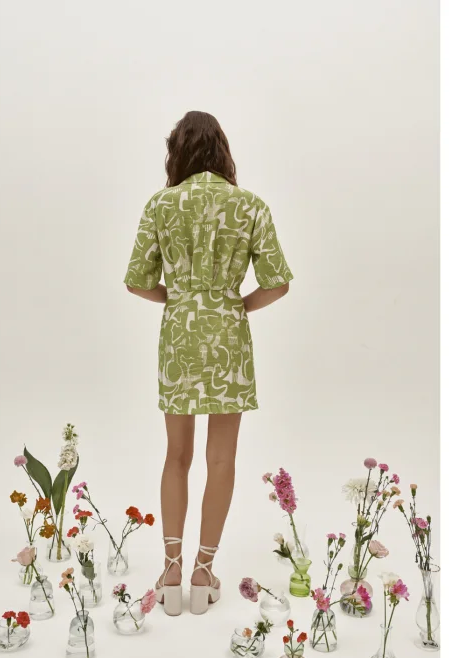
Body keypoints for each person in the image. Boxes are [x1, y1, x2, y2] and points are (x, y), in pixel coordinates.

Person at [123, 110, 293, 615]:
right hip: (228, 336)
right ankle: (203, 572)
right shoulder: (249, 205)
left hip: (179, 336)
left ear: (177, 152)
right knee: (221, 459)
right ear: (222, 150)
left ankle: (171, 570)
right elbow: (278, 282)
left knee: (177, 455)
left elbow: (136, 281)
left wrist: (179, 298)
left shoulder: (161, 204)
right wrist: (236, 305)